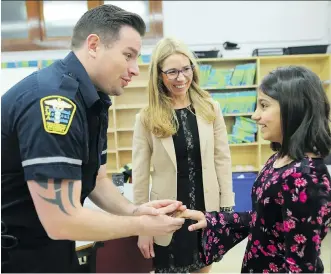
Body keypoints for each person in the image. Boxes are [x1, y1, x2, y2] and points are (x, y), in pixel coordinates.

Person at [1, 5, 186, 273]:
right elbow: (61, 220)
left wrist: (136, 211)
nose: (135, 69)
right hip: (19, 255)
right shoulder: (55, 103)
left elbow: (97, 179)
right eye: (128, 56)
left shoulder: (92, 100)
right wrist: (142, 226)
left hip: (54, 247)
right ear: (94, 45)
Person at [179, 66, 331, 273]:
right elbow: (264, 220)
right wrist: (213, 219)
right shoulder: (279, 159)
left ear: (293, 108)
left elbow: (301, 265)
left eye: (264, 106)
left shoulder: (307, 177)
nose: (255, 116)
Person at [132, 37, 235, 273]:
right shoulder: (146, 117)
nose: (181, 78)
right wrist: (142, 227)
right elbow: (139, 176)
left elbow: (222, 159)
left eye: (186, 69)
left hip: (206, 209)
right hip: (165, 215)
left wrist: (226, 207)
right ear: (159, 75)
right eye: (172, 72)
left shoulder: (210, 107)